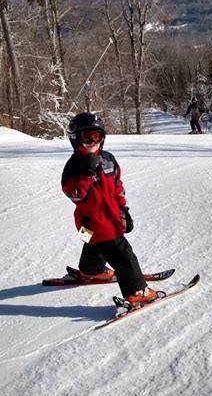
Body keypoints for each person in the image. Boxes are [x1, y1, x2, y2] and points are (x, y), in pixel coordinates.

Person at [61, 111, 157, 305]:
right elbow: (74, 194)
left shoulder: (108, 159)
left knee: (92, 245)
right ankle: (136, 291)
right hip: (97, 223)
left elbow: (117, 187)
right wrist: (87, 173)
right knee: (124, 256)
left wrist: (124, 210)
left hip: (106, 219)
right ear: (75, 139)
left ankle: (91, 270)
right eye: (87, 137)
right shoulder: (74, 166)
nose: (93, 141)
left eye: (97, 136)